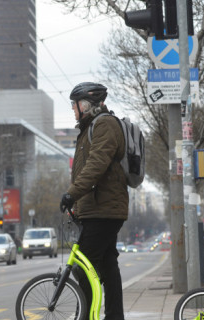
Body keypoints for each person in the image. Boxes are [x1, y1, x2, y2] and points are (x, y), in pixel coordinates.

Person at [59, 82, 128, 320]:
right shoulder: (91, 128)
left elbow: (96, 165)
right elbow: (87, 171)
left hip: (104, 209)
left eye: (74, 105)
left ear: (86, 105)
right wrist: (78, 206)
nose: (73, 110)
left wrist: (72, 194)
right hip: (98, 208)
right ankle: (113, 316)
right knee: (108, 266)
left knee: (82, 266)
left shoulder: (105, 124)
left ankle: (87, 315)